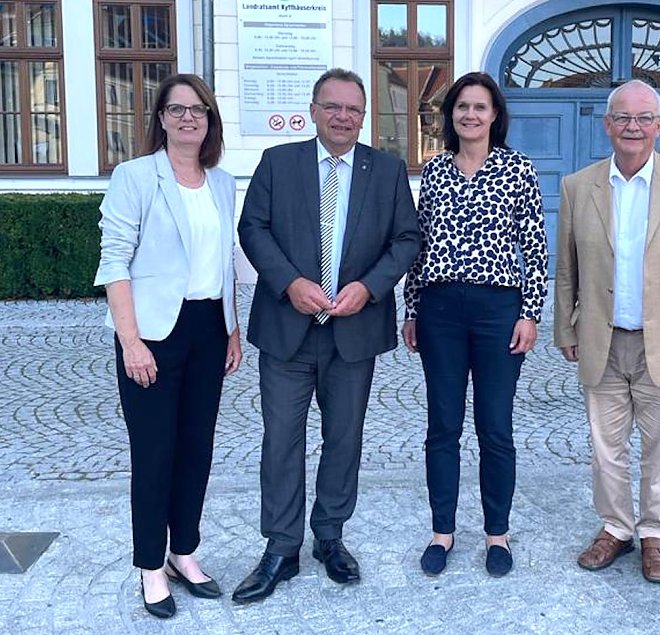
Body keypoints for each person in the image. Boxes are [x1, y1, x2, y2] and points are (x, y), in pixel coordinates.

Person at [232, 68, 420, 603]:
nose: (342, 117)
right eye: (332, 106)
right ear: (313, 111)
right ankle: (281, 547)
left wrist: (370, 287)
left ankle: (330, 536)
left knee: (344, 439)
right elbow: (252, 228)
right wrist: (289, 282)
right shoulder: (278, 162)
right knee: (281, 441)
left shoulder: (386, 170)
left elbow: (407, 239)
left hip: (353, 330)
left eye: (352, 109)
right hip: (287, 330)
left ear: (364, 117)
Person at [555, 79, 660, 583]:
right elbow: (567, 268)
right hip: (601, 340)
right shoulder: (578, 186)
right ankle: (615, 528)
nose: (633, 127)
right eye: (623, 118)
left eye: (644, 118)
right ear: (607, 125)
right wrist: (565, 328)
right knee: (606, 448)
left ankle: (656, 535)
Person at [94, 73, 242, 618]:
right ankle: (150, 565)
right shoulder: (135, 176)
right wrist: (130, 341)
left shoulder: (221, 182)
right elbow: (114, 261)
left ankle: (184, 551)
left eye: (198, 110)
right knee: (154, 453)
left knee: (196, 448)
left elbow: (223, 260)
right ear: (160, 118)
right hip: (152, 333)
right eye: (177, 109)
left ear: (210, 120)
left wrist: (231, 327)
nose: (188, 118)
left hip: (207, 328)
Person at [402, 71, 548, 577]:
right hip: (440, 310)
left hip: (497, 311)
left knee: (495, 427)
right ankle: (442, 531)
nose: (470, 114)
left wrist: (530, 312)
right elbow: (419, 246)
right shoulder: (435, 171)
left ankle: (496, 534)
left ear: (494, 115)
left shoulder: (517, 168)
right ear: (451, 115)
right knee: (442, 426)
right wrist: (412, 308)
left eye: (479, 107)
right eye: (462, 106)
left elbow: (535, 246)